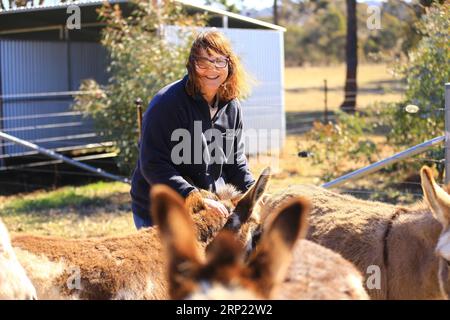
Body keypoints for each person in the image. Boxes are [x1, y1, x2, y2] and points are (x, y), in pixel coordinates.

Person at [130, 30, 255, 229]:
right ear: (191, 66)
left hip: (204, 206)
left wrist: (254, 195)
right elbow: (153, 164)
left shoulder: (231, 106)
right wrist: (193, 196)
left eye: (219, 61)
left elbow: (235, 163)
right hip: (160, 210)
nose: (211, 69)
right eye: (203, 62)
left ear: (229, 65)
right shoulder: (167, 103)